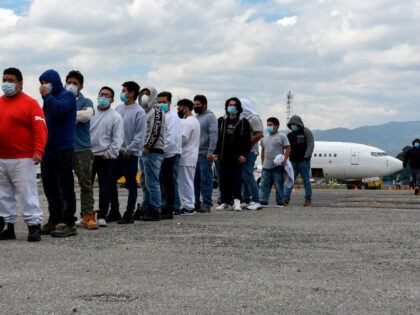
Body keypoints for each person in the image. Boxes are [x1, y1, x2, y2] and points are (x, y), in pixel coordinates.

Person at [0, 67, 48, 242]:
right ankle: (6, 227)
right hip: (2, 158)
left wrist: (38, 150)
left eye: (11, 80)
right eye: (4, 79)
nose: (6, 83)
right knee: (3, 194)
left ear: (20, 83)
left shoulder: (31, 103)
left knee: (28, 193)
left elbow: (40, 129)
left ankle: (33, 226)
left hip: (23, 158)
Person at [39, 69, 78, 237]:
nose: (44, 85)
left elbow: (59, 110)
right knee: (50, 187)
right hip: (48, 149)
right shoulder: (48, 100)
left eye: (47, 81)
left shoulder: (66, 96)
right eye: (41, 82)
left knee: (65, 186)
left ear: (55, 81)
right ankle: (54, 219)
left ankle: (68, 221)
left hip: (63, 147)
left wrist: (47, 96)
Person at [108, 81, 146, 224]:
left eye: (124, 91)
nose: (122, 94)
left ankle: (129, 213)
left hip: (129, 155)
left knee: (131, 185)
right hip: (116, 153)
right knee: (110, 181)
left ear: (132, 93)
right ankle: (114, 211)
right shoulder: (118, 108)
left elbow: (140, 135)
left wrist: (130, 150)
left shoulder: (139, 112)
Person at [65, 70, 97, 229]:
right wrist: (75, 116)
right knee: (64, 184)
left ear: (81, 86)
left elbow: (86, 116)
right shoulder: (60, 100)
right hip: (63, 148)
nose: (71, 85)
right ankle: (65, 216)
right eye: (69, 82)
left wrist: (67, 115)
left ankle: (88, 216)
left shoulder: (87, 101)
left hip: (82, 149)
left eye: (75, 83)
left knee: (86, 184)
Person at [90, 87, 123, 227]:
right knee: (87, 188)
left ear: (112, 99)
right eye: (102, 94)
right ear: (97, 96)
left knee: (105, 188)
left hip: (105, 157)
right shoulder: (90, 112)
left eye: (107, 96)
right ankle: (87, 215)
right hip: (88, 156)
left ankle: (102, 215)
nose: (104, 97)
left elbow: (118, 139)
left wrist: (109, 154)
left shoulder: (115, 116)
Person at [214, 97, 251, 211]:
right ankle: (226, 202)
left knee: (236, 179)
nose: (232, 107)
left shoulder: (244, 122)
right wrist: (216, 152)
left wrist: (243, 154)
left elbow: (247, 141)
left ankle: (237, 201)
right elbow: (217, 138)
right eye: (230, 104)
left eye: (234, 105)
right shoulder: (221, 121)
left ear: (238, 107)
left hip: (237, 156)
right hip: (223, 155)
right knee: (223, 179)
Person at [135, 86, 165, 221]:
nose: (144, 96)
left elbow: (155, 130)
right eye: (143, 94)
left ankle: (156, 208)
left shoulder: (157, 110)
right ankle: (145, 207)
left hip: (152, 151)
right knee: (144, 182)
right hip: (143, 151)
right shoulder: (144, 111)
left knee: (152, 182)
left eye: (147, 94)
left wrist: (146, 147)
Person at [154, 91, 182, 219]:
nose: (161, 104)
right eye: (159, 102)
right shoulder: (158, 116)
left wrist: (161, 151)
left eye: (164, 102)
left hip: (170, 155)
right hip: (161, 154)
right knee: (162, 183)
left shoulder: (172, 118)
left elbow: (172, 139)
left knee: (169, 183)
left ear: (170, 102)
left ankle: (171, 208)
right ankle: (164, 206)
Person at [193, 95, 218, 213]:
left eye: (198, 104)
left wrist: (211, 152)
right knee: (194, 180)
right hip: (194, 153)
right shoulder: (196, 117)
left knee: (205, 179)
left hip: (205, 154)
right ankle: (195, 203)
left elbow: (213, 135)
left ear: (204, 105)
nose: (195, 106)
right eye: (194, 104)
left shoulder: (210, 117)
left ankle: (206, 204)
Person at [259, 117, 291, 207]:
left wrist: (285, 159)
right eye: (267, 124)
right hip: (266, 166)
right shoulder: (265, 138)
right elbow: (263, 150)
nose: (268, 126)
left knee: (279, 184)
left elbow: (288, 148)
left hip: (277, 166)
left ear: (276, 126)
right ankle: (263, 200)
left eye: (270, 125)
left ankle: (280, 202)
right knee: (264, 184)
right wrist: (262, 162)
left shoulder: (282, 136)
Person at [283, 115, 314, 206]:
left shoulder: (306, 132)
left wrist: (306, 157)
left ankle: (308, 199)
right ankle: (286, 198)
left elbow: (310, 144)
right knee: (290, 180)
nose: (293, 126)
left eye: (294, 124)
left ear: (299, 124)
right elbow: (285, 146)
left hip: (303, 162)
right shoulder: (289, 135)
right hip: (293, 162)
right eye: (291, 124)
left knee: (306, 181)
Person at [239, 98, 264, 211]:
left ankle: (256, 200)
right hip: (242, 151)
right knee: (243, 176)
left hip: (250, 150)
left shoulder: (254, 118)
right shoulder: (242, 118)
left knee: (248, 175)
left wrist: (246, 144)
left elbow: (259, 134)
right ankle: (246, 199)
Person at [177, 99, 201, 215]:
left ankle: (189, 206)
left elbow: (183, 138)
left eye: (179, 108)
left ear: (185, 108)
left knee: (185, 182)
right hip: (191, 156)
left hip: (186, 155)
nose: (178, 110)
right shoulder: (195, 121)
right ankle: (189, 205)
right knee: (188, 181)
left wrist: (174, 145)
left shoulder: (187, 122)